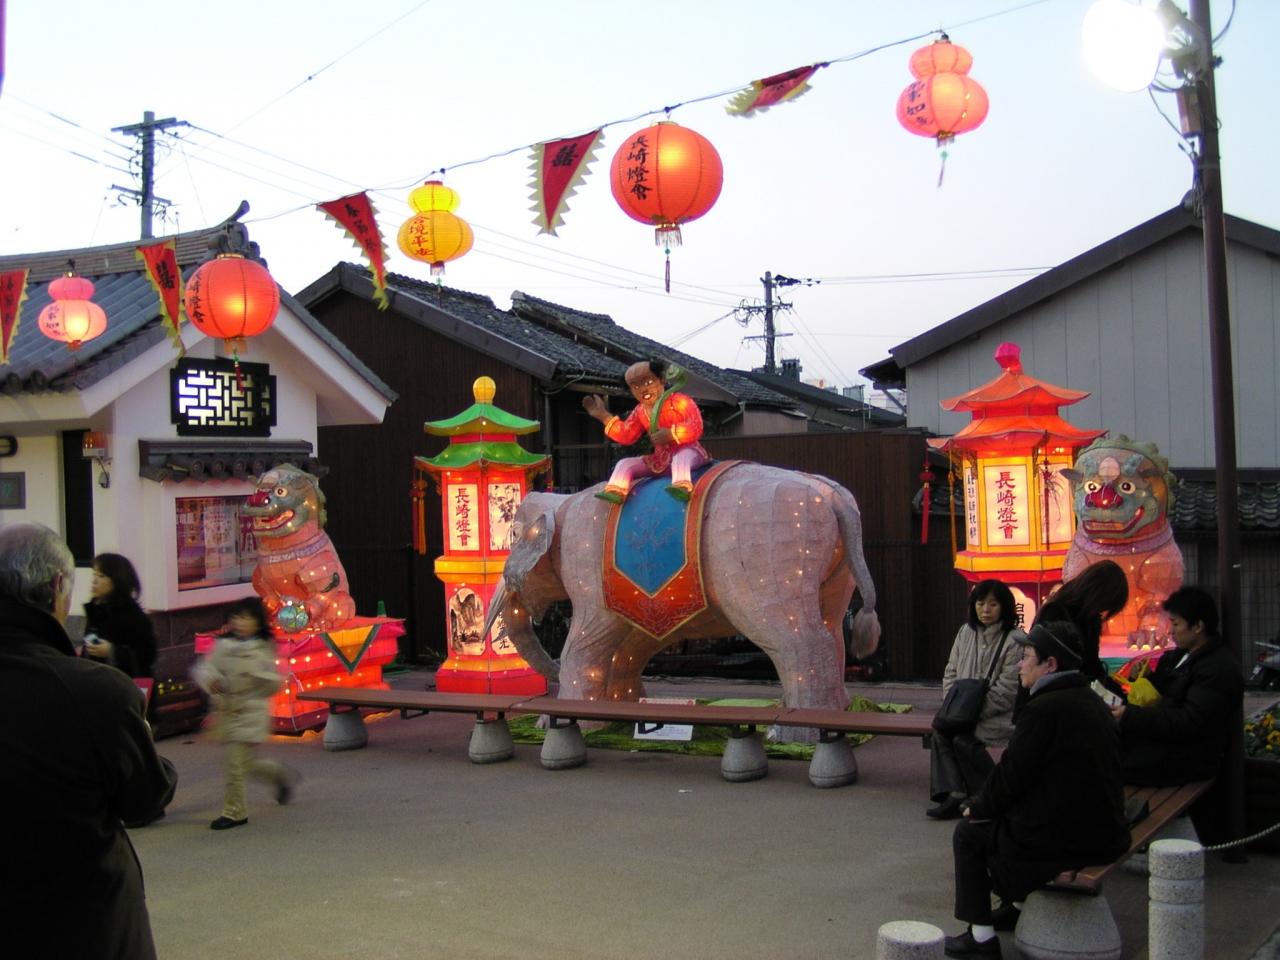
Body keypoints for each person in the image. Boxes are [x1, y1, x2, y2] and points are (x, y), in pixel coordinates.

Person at [0, 523, 173, 959]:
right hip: (83, 916)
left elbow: (143, 652)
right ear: (57, 587)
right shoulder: (95, 693)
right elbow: (144, 798)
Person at [945, 620, 1129, 958]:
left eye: (1027, 656)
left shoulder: (1044, 709)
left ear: (1050, 664)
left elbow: (1011, 776)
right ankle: (1015, 907)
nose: (1020, 664)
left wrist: (980, 807)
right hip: (1105, 831)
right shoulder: (1091, 700)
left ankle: (981, 938)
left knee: (969, 834)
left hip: (1069, 841)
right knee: (1010, 815)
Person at [1112, 586, 1243, 841]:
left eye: (1175, 623)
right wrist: (1146, 679)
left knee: (1107, 760)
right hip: (1168, 747)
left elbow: (1189, 722)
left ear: (1198, 626)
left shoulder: (1217, 669)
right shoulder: (1183, 656)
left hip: (1185, 758)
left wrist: (1130, 716)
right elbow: (1168, 698)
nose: (1171, 631)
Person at [193, 595, 299, 830]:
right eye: (237, 618)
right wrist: (212, 681)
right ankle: (279, 775)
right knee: (247, 764)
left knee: (234, 764)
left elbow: (272, 682)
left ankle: (234, 812)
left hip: (250, 713)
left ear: (258, 622)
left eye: (247, 618)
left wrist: (256, 678)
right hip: (227, 711)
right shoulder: (223, 645)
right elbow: (206, 669)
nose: (240, 623)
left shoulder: (263, 648)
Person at [927, 579, 1024, 820]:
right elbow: (950, 672)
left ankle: (990, 792)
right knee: (940, 733)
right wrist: (954, 707)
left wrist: (971, 714)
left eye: (993, 604)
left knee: (962, 739)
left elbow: (1007, 690)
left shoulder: (1014, 640)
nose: (986, 610)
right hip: (962, 712)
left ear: (1005, 607)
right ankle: (954, 793)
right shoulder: (965, 632)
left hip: (999, 716)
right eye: (980, 604)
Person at [582, 358, 708, 503]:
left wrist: (672, 434)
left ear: (661, 379)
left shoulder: (680, 401)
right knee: (625, 464)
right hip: (659, 460)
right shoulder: (640, 411)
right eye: (636, 387)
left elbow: (695, 426)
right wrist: (604, 416)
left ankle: (682, 486)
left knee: (681, 458)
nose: (643, 389)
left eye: (648, 382)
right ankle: (616, 491)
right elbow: (627, 434)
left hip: (689, 451)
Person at [1035, 559, 1129, 696]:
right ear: (1097, 594)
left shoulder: (1090, 617)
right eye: (1106, 604)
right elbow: (1050, 667)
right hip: (1054, 695)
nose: (1104, 610)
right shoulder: (1055, 612)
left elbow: (1093, 666)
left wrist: (1119, 694)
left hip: (1075, 693)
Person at [83, 552, 158, 679]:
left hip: (124, 685)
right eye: (94, 574)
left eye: (101, 576)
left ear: (117, 581)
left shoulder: (133, 615)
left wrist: (112, 652)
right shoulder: (95, 610)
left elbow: (147, 655)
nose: (94, 581)